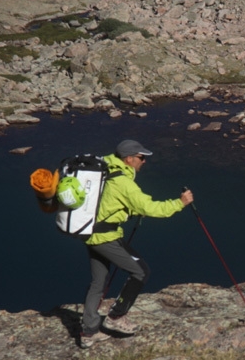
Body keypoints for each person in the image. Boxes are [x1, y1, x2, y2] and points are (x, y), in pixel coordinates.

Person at [80, 139, 193, 348]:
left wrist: (129, 210)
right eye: (141, 157)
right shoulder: (123, 182)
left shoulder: (107, 169)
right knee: (141, 271)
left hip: (91, 234)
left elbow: (108, 202)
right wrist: (180, 203)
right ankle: (116, 317)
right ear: (129, 159)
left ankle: (88, 332)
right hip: (106, 237)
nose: (144, 161)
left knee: (98, 282)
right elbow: (149, 207)